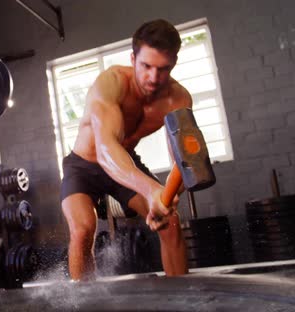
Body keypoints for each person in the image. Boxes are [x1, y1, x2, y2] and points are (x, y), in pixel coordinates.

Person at [60, 19, 191, 280]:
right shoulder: (111, 83)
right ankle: (85, 304)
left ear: (174, 63)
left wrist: (166, 198)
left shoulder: (178, 100)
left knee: (170, 223)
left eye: (163, 69)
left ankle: (182, 299)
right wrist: (152, 189)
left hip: (126, 161)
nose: (154, 78)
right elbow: (106, 150)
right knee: (83, 228)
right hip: (84, 165)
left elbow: (185, 160)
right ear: (133, 58)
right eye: (146, 66)